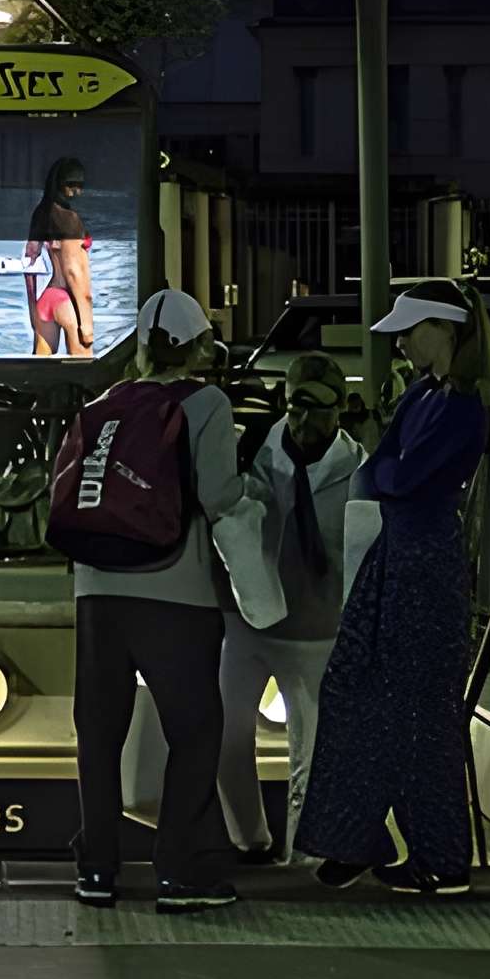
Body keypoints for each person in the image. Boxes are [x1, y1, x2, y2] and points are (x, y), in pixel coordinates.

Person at [299, 280, 490, 898]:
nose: (403, 344)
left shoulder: (460, 404)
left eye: (411, 332)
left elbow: (393, 473)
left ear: (443, 329)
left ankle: (412, 850)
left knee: (410, 707)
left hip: (419, 558)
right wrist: (387, 474)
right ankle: (388, 845)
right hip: (407, 551)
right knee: (374, 695)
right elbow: (391, 471)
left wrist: (384, 474)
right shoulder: (436, 396)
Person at [65, 286, 244, 915]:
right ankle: (182, 871)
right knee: (193, 732)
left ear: (139, 348)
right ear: (199, 347)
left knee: (99, 734)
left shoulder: (102, 405)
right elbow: (219, 496)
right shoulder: (206, 403)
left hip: (96, 590)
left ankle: (96, 870)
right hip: (176, 590)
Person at [218, 351, 362, 865]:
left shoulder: (358, 469)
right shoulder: (253, 450)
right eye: (296, 407)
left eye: (318, 409)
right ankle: (248, 838)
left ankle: (304, 852)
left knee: (314, 749)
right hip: (248, 619)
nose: (304, 421)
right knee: (226, 734)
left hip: (317, 628)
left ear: (339, 410)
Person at [24, 156, 95, 358]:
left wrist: (33, 310)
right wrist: (86, 323)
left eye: (80, 185)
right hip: (68, 301)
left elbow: (29, 265)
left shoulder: (42, 213)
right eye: (71, 184)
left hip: (47, 297)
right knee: (83, 367)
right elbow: (74, 273)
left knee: (38, 370)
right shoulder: (70, 220)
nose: (77, 191)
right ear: (59, 183)